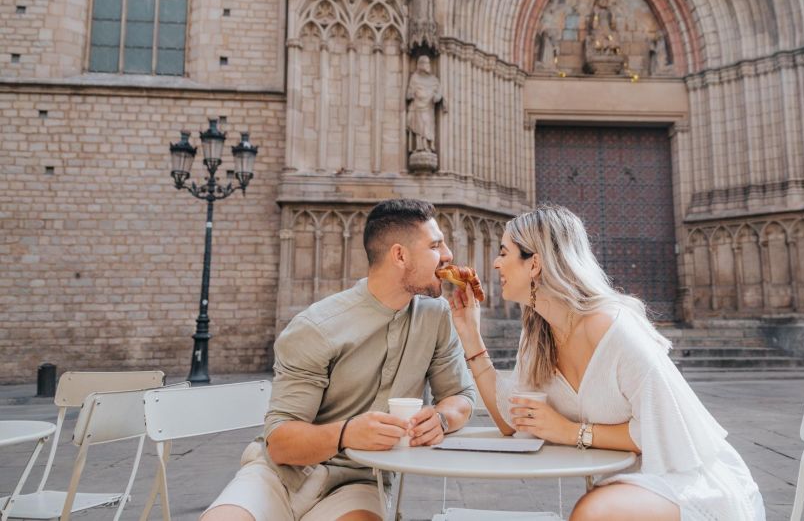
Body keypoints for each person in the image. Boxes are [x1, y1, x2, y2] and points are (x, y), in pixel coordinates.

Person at [449, 206, 765, 521]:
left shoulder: (614, 327)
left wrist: (571, 431)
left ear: (535, 264)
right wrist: (470, 336)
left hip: (689, 481)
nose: (494, 262)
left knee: (593, 513)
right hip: (628, 487)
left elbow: (666, 428)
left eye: (504, 252)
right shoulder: (537, 333)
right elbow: (512, 420)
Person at [203, 199, 477, 521]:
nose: (448, 255)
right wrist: (347, 433)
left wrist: (442, 418)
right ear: (400, 255)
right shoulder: (316, 327)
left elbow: (462, 396)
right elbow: (279, 443)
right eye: (435, 245)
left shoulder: (436, 316)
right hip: (281, 476)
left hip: (358, 482)